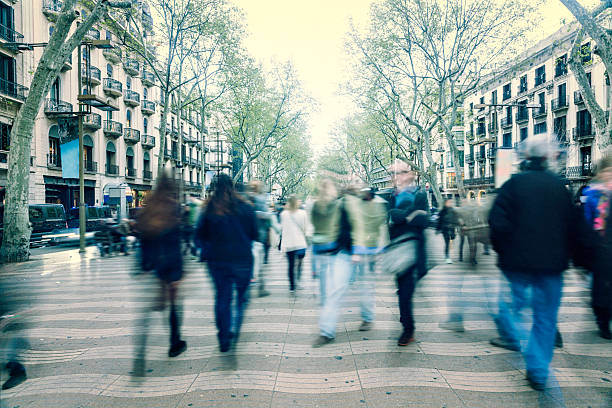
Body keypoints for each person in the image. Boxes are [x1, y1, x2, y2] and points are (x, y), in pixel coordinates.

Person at [488, 137, 589, 390]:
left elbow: (497, 224)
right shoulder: (560, 189)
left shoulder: (512, 185)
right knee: (545, 318)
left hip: (516, 266)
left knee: (511, 309)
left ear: (526, 159)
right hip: (552, 267)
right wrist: (577, 260)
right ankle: (538, 369)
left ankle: (523, 345)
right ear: (547, 159)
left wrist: (505, 253)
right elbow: (575, 228)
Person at [313, 184, 388, 347]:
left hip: (361, 252)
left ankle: (366, 318)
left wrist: (357, 249)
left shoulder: (357, 205)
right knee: (340, 289)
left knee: (363, 287)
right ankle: (327, 331)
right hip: (346, 252)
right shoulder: (340, 204)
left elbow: (363, 227)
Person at [196, 174, 257, 352]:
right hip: (242, 260)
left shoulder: (208, 209)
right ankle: (234, 329)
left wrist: (207, 249)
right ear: (233, 186)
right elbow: (254, 234)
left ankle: (224, 336)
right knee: (241, 298)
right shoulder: (246, 207)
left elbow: (198, 236)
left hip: (217, 262)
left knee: (222, 298)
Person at [134, 174, 186, 376]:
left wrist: (143, 265)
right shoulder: (173, 207)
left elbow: (143, 239)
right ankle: (175, 343)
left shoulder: (148, 207)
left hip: (153, 265)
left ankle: (139, 354)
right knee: (173, 307)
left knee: (146, 313)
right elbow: (175, 241)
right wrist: (179, 272)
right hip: (170, 266)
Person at [387, 164, 429, 346]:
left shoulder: (420, 195)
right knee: (403, 293)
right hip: (397, 251)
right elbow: (391, 216)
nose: (397, 176)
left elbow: (423, 219)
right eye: (394, 173)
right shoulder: (392, 196)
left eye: (402, 172)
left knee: (405, 293)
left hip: (414, 251)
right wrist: (408, 216)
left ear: (411, 175)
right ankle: (406, 324)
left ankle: (408, 329)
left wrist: (401, 216)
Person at [581, 152, 612, 339]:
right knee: (600, 288)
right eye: (607, 172)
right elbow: (587, 222)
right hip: (599, 250)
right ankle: (602, 321)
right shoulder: (592, 195)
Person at [310, 179, 341, 306]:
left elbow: (312, 221)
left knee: (322, 272)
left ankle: (323, 298)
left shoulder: (316, 205)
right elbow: (338, 223)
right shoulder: (335, 204)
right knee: (333, 271)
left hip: (318, 243)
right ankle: (332, 296)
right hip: (331, 242)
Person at [248, 180, 273, 298]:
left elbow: (267, 215)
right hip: (257, 235)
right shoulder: (254, 199)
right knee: (258, 262)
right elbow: (268, 215)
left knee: (255, 262)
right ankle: (260, 287)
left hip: (253, 235)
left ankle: (259, 286)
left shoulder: (248, 199)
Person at [279, 196, 309, 294]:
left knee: (291, 265)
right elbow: (305, 228)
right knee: (300, 263)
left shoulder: (283, 214)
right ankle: (299, 281)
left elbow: (282, 228)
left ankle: (292, 286)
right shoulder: (303, 213)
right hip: (300, 243)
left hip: (289, 244)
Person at [437, 198, 458, 264]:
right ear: (445, 203)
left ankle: (450, 255)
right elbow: (439, 221)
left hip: (452, 229)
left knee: (452, 241)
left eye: (450, 202)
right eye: (448, 202)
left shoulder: (453, 210)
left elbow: (456, 219)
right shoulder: (442, 211)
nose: (450, 203)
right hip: (445, 229)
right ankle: (447, 257)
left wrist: (457, 226)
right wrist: (438, 229)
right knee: (447, 243)